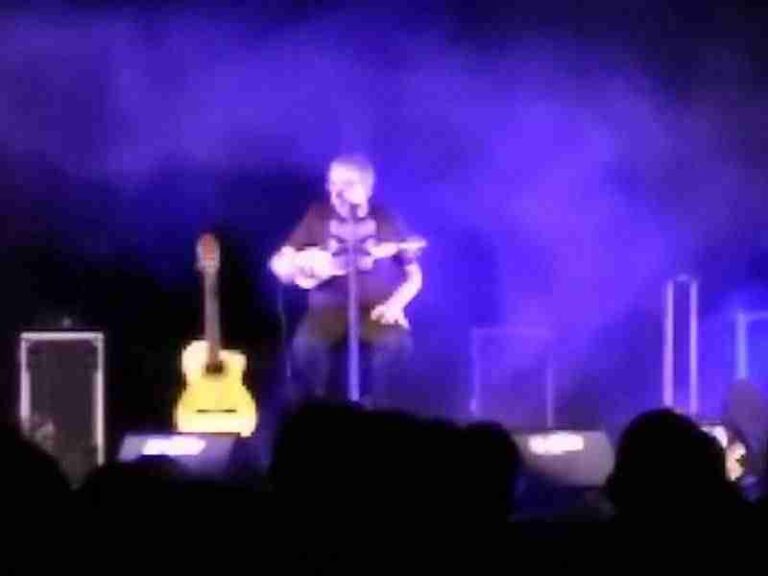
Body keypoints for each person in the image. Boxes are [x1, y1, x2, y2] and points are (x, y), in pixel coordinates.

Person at [269, 154, 424, 407]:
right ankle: (316, 412)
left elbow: (415, 276)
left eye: (348, 185)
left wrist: (396, 305)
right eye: (333, 184)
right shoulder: (317, 215)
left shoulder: (386, 219)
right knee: (305, 347)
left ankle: (383, 412)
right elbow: (280, 262)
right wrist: (294, 265)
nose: (337, 192)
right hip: (326, 309)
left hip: (377, 309)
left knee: (397, 346)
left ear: (367, 188)